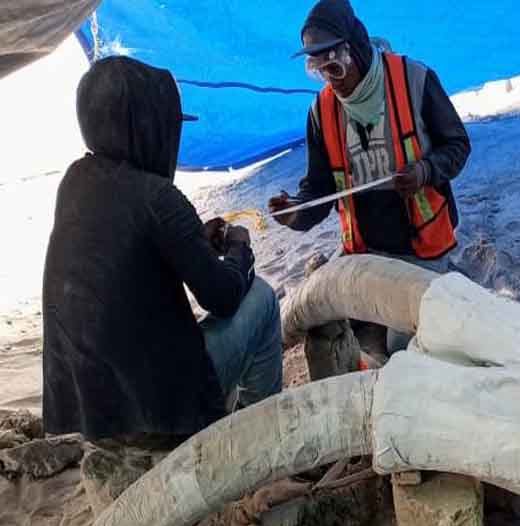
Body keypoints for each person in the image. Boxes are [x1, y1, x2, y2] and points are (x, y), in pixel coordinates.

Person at [42, 56, 283, 443]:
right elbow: (223, 296)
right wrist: (240, 248)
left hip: (88, 414)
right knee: (263, 299)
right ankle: (258, 442)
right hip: (157, 412)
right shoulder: (158, 197)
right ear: (146, 129)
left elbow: (127, 262)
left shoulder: (74, 183)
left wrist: (196, 242)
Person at [268, 0, 471, 353]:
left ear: (356, 51)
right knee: (325, 328)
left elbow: (457, 145)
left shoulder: (414, 79)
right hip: (363, 251)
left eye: (336, 66)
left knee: (403, 343)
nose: (332, 80)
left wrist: (425, 171)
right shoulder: (322, 111)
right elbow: (318, 190)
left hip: (420, 249)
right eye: (320, 70)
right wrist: (296, 212)